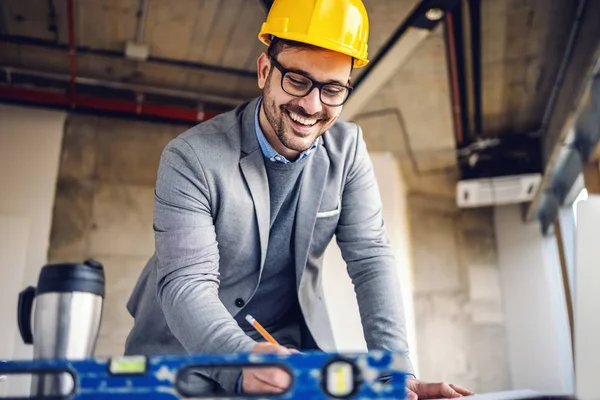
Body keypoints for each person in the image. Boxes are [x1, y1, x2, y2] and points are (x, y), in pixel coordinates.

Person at [124, 0, 475, 398]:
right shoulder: (191, 157)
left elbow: (371, 259)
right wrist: (244, 361)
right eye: (296, 80)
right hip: (178, 354)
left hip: (282, 352)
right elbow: (187, 284)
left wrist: (393, 372)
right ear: (264, 71)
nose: (311, 105)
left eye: (332, 89)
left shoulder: (348, 151)